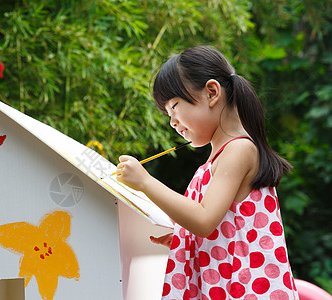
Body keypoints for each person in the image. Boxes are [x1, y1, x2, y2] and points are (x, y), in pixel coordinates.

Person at [116, 46, 299, 300]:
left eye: (174, 107)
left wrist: (145, 181)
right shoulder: (220, 157)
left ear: (212, 93)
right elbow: (218, 227)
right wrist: (185, 238)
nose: (172, 122)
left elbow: (203, 220)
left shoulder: (239, 149)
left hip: (245, 290)